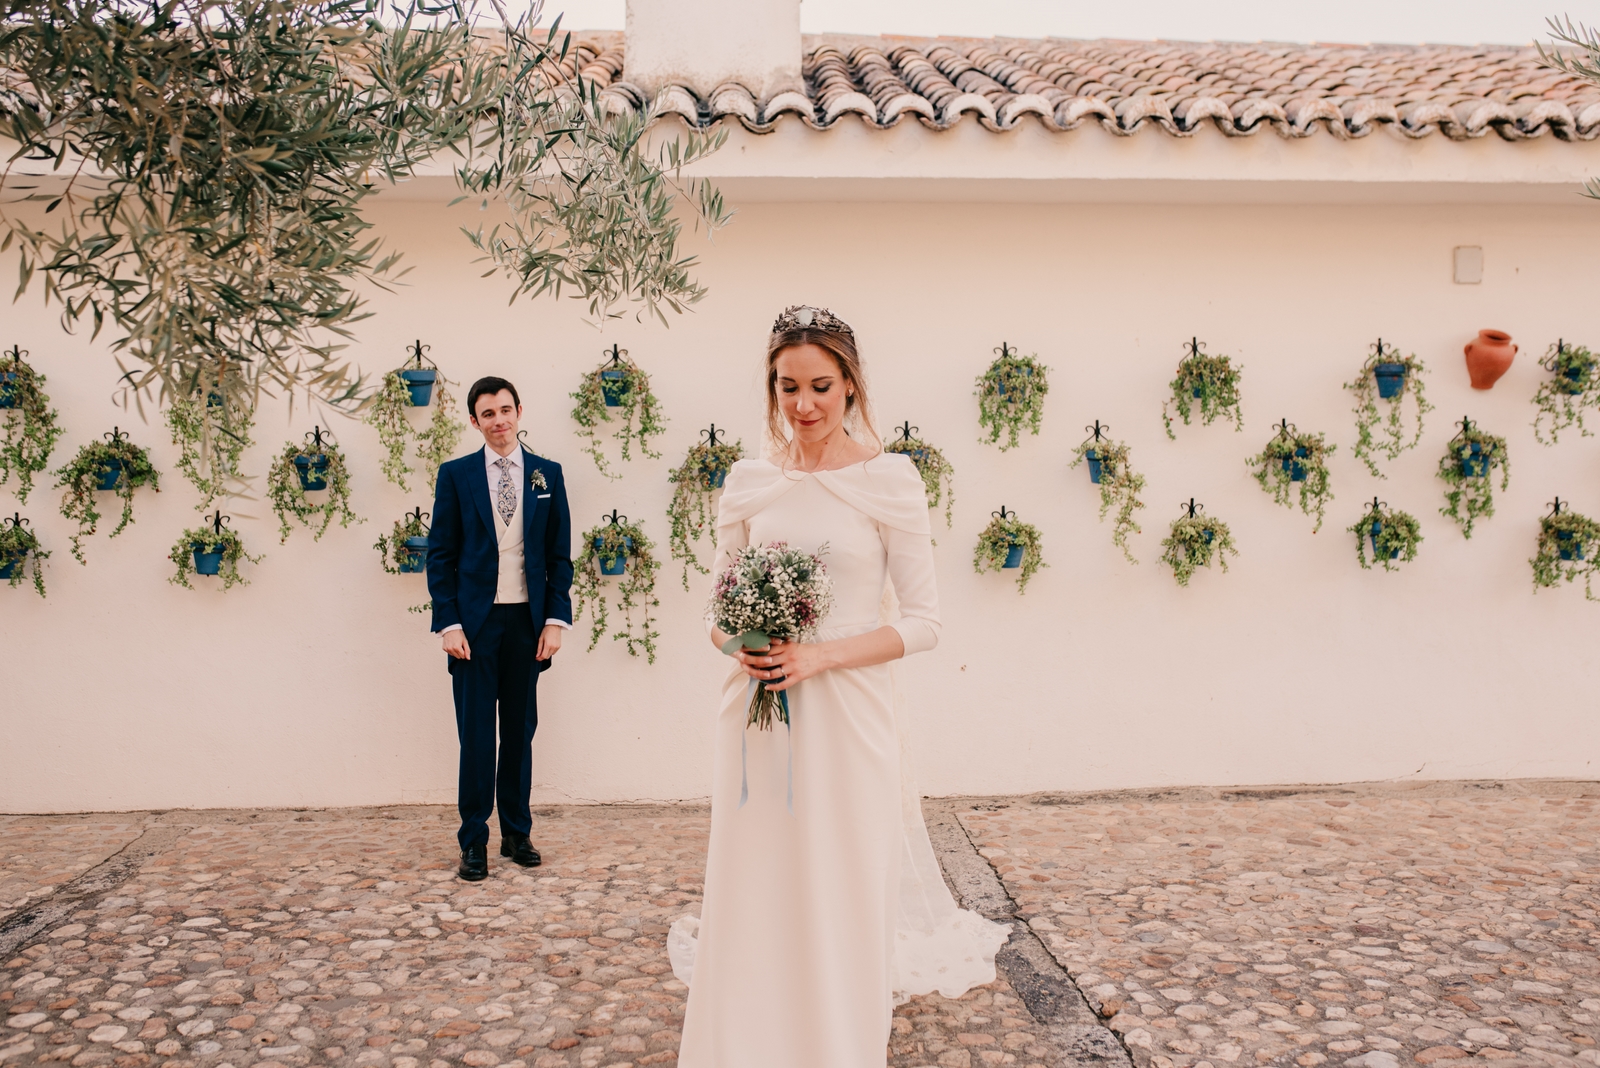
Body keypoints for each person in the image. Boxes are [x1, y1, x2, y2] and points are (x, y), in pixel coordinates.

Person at [674, 307, 1010, 1067]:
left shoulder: (890, 480)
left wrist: (819, 658)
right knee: (757, 883)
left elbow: (924, 623)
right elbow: (714, 613)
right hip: (758, 720)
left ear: (851, 384)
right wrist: (744, 646)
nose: (803, 405)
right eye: (787, 387)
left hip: (851, 716)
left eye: (820, 386)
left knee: (844, 883)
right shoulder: (749, 483)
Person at [426, 376, 574, 882]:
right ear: (475, 421)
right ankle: (473, 840)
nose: (499, 420)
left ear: (519, 412)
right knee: (475, 737)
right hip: (474, 626)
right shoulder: (456, 475)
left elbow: (558, 555)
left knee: (518, 733)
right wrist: (448, 623)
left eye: (505, 410)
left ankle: (516, 833)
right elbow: (440, 555)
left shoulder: (547, 474)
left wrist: (555, 620)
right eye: (487, 413)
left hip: (527, 624)